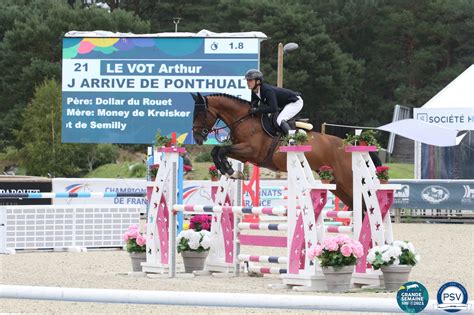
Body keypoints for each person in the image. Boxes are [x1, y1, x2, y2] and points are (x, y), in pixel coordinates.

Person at [244, 69, 303, 135]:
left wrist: (257, 110)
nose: (248, 82)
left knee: (280, 119)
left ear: (258, 81)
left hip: (295, 102)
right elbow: (253, 105)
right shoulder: (254, 92)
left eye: (250, 80)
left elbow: (273, 108)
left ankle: (292, 139)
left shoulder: (267, 91)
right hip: (284, 104)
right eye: (247, 80)